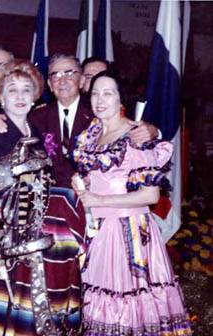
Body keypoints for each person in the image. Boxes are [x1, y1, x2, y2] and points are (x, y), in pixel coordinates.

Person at [0, 59, 85, 334]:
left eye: (27, 90)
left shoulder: (34, 130)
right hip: (5, 229)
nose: (21, 96)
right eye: (13, 90)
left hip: (34, 225)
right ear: (1, 96)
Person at [71, 70, 192, 335]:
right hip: (97, 231)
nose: (99, 99)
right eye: (95, 93)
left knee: (129, 304)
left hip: (128, 234)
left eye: (108, 93)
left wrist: (99, 198)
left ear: (120, 99)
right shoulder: (91, 135)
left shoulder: (135, 137)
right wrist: (85, 185)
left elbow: (151, 196)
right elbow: (101, 178)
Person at [0, 54, 158, 188]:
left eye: (69, 73)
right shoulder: (36, 117)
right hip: (49, 201)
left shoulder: (98, 113)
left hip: (90, 200)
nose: (63, 80)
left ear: (82, 80)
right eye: (56, 75)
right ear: (50, 85)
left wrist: (153, 130)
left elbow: (129, 129)